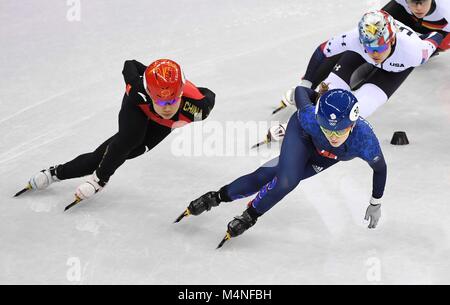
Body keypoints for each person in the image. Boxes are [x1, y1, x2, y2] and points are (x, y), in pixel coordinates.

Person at [176, 86, 387, 247]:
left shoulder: (365, 141)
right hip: (302, 135)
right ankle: (235, 209)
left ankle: (226, 202)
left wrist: (375, 203)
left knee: (269, 175)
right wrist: (317, 96)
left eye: (339, 131)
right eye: (327, 129)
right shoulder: (310, 118)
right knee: (287, 181)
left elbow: (380, 169)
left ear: (352, 125)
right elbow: (300, 91)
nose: (332, 136)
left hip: (324, 157)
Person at [16, 59, 216, 209]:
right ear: (149, 92)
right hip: (138, 109)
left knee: (124, 152)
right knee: (128, 139)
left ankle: (57, 172)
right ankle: (93, 179)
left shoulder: (198, 109)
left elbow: (208, 94)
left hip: (163, 125)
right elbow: (130, 64)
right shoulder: (138, 90)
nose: (166, 107)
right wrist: (150, 75)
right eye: (161, 101)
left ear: (180, 94)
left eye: (172, 101)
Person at [263, 10, 443, 146]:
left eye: (379, 48)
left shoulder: (415, 52)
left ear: (392, 41)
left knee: (359, 110)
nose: (374, 54)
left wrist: (431, 34)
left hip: (396, 69)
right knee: (326, 95)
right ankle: (295, 124)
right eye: (368, 47)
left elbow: (437, 36)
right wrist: (306, 84)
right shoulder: (354, 39)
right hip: (357, 56)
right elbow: (322, 51)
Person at [383, 0, 450, 51]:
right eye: (413, 1)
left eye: (424, 1)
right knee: (379, 22)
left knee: (444, 44)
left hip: (437, 29)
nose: (418, 8)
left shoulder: (446, 8)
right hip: (407, 16)